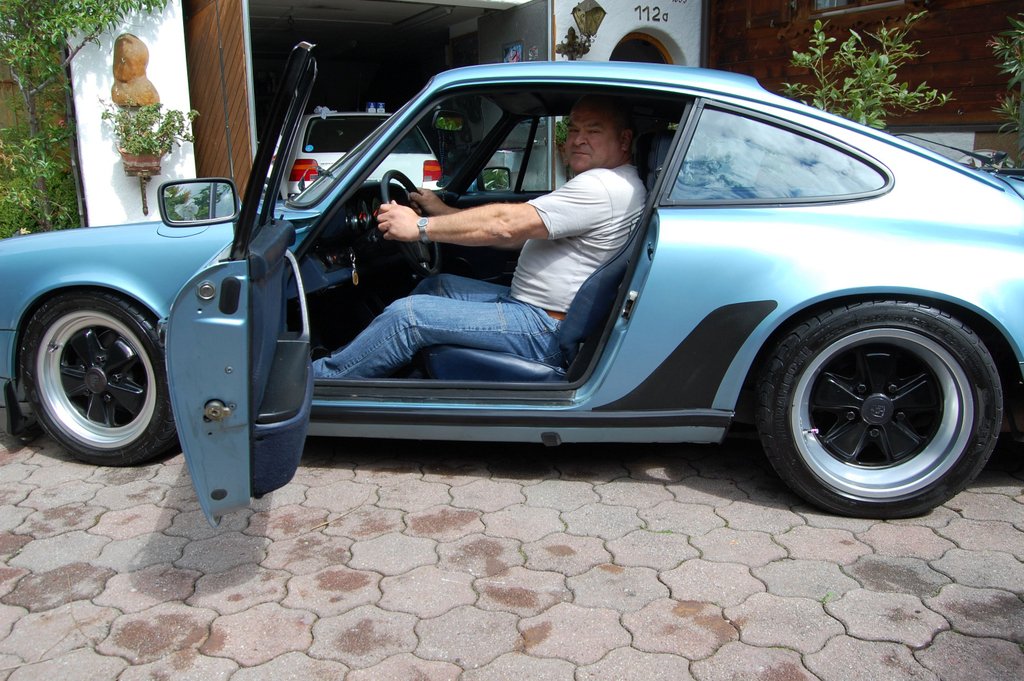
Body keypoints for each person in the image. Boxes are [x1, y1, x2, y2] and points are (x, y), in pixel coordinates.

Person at [313, 94, 647, 379]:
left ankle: (323, 380)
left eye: (593, 131)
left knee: (408, 317)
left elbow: (505, 224)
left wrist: (420, 227)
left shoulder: (602, 186)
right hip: (533, 309)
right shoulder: (617, 182)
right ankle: (369, 362)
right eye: (573, 129)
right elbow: (518, 235)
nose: (578, 139)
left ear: (624, 140)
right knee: (437, 285)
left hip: (542, 327)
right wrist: (442, 211)